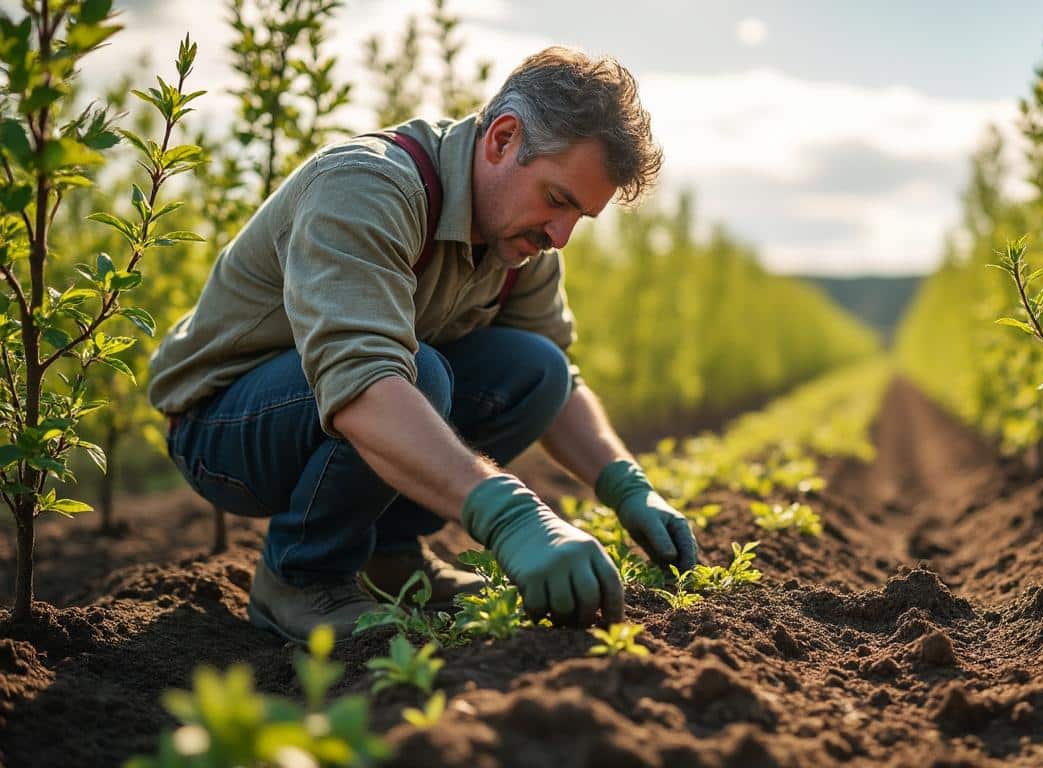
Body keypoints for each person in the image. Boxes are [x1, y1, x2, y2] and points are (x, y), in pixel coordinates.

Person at [146, 46, 699, 644]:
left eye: (579, 217)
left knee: (538, 369)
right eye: (557, 199)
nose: (559, 235)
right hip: (224, 429)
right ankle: (301, 576)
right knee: (418, 374)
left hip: (343, 402)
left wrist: (628, 487)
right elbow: (361, 384)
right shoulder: (367, 185)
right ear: (502, 139)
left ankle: (389, 558)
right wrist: (512, 514)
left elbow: (560, 380)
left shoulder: (520, 244)